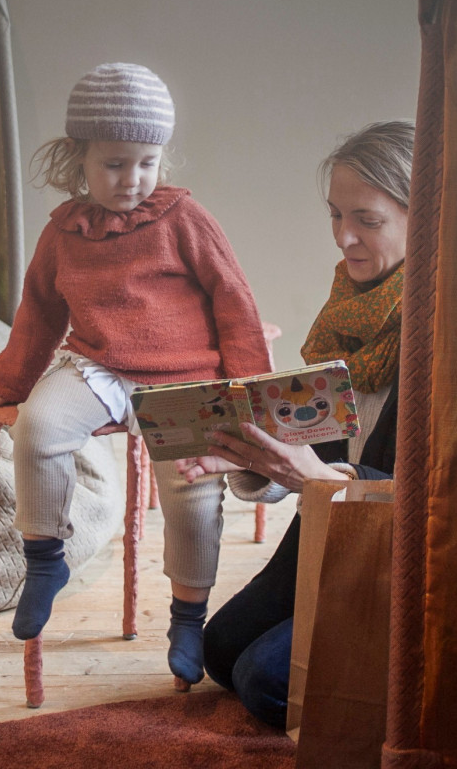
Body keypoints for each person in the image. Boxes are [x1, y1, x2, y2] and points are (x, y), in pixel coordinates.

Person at [0, 62, 272, 686]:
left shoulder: (184, 220)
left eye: (147, 161)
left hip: (184, 379)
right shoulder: (64, 232)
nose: (133, 179)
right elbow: (38, 313)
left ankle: (188, 618)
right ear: (76, 158)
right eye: (114, 163)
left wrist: (249, 392)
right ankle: (45, 557)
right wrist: (8, 382)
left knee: (191, 498)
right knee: (39, 427)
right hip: (98, 366)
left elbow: (235, 303)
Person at [174, 120, 412, 728]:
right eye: (336, 215)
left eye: (368, 221)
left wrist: (319, 477)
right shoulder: (348, 317)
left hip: (393, 556)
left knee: (264, 682)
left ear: (425, 217)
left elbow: (430, 501)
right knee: (222, 652)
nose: (344, 238)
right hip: (329, 531)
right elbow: (316, 446)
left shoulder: (442, 335)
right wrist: (252, 455)